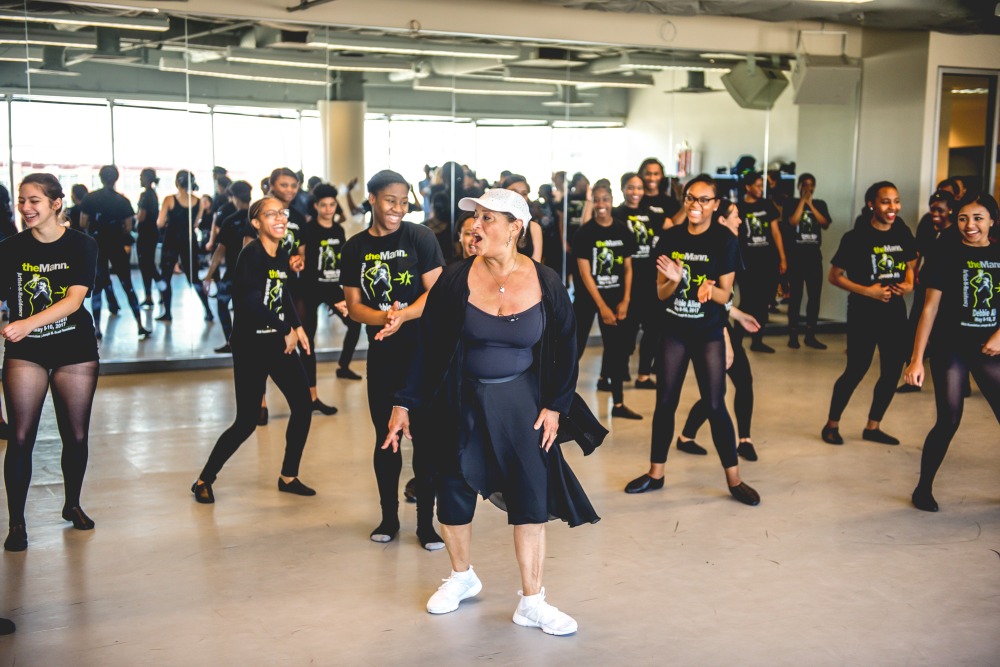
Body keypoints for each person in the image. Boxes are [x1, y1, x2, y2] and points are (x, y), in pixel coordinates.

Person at [385, 187, 600, 636]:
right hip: (459, 400)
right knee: (454, 490)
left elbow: (565, 348)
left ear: (515, 228)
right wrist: (404, 401)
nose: (475, 227)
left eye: (487, 219)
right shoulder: (455, 279)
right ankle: (462, 576)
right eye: (474, 219)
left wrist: (556, 405)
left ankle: (532, 601)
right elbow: (428, 347)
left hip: (521, 402)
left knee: (530, 496)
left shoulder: (546, 281)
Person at [624, 174, 760, 506]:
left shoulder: (725, 241)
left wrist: (709, 290)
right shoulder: (669, 238)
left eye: (702, 199)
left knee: (715, 405)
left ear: (715, 204)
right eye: (690, 198)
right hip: (674, 331)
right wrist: (675, 279)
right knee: (665, 404)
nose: (694, 205)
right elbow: (661, 292)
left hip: (709, 333)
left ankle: (734, 479)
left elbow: (725, 293)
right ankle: (656, 474)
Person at [340, 169, 445, 548]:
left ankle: (426, 524)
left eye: (403, 201)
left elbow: (436, 294)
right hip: (383, 354)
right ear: (372, 199)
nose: (398, 208)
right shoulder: (354, 247)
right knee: (386, 439)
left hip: (423, 355)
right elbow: (353, 307)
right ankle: (388, 518)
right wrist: (386, 318)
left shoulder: (420, 236)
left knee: (426, 443)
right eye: (390, 200)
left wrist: (403, 316)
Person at [192, 196, 315, 504]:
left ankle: (289, 475)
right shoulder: (251, 255)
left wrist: (296, 326)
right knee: (246, 420)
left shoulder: (282, 251)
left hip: (278, 343)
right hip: (251, 346)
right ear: (257, 223)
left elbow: (281, 292)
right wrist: (286, 329)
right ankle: (204, 479)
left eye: (281, 213)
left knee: (302, 406)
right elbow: (249, 305)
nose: (279, 218)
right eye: (270, 214)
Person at [0, 173, 99, 551]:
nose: (26, 207)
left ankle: (72, 503)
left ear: (56, 203)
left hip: (74, 348)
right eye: (22, 200)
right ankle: (17, 523)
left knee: (75, 435)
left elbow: (74, 300)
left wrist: (24, 323)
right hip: (28, 352)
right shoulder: (9, 248)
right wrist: (19, 328)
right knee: (21, 437)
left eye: (35, 201)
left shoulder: (82, 245)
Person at [903, 193, 1000, 512]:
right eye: (963, 218)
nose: (969, 225)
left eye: (977, 218)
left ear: (992, 221)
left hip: (990, 347)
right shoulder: (945, 252)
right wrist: (916, 359)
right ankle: (923, 489)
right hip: (951, 347)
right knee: (949, 419)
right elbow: (929, 309)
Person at [821, 181, 916, 446]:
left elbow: (911, 262)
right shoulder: (855, 237)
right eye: (886, 201)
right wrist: (867, 291)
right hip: (864, 312)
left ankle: (873, 426)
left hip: (895, 311)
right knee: (856, 370)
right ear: (871, 204)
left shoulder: (902, 231)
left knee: (891, 371)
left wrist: (908, 283)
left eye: (896, 201)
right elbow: (835, 276)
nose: (893, 207)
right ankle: (831, 424)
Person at [676, 199, 762, 461]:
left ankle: (741, 439)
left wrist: (739, 315)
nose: (740, 221)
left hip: (721, 326)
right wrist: (724, 332)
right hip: (711, 330)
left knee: (735, 384)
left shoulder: (728, 245)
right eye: (735, 216)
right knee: (719, 392)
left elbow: (721, 297)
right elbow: (706, 297)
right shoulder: (714, 248)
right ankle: (690, 437)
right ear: (721, 219)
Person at [572, 181, 641, 419]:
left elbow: (629, 269)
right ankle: (561, 404)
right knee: (575, 349)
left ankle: (619, 405)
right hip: (587, 299)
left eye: (606, 199)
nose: (602, 205)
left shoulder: (623, 230)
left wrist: (625, 301)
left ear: (612, 201)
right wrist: (601, 306)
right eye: (597, 200)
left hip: (615, 297)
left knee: (616, 349)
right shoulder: (584, 233)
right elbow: (584, 273)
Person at [301, 182, 363, 387]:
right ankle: (309, 386)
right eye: (324, 205)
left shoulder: (338, 230)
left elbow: (341, 260)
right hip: (311, 288)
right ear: (316, 206)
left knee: (354, 324)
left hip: (332, 287)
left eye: (332, 205)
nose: (328, 209)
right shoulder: (308, 230)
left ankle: (343, 366)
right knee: (308, 337)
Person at [79, 165, 151, 340]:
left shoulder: (90, 198)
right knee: (127, 285)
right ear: (116, 178)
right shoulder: (122, 201)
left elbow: (82, 223)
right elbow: (128, 226)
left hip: (97, 246)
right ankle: (140, 325)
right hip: (116, 246)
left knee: (97, 287)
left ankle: (97, 328)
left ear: (100, 177)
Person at [898, 191, 958, 394]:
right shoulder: (928, 226)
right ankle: (913, 378)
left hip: (947, 292)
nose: (935, 213)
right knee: (913, 330)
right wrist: (912, 274)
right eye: (932, 208)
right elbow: (918, 252)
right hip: (926, 285)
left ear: (950, 209)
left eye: (939, 209)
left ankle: (961, 383)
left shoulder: (957, 232)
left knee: (945, 335)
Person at [614, 171, 660, 390]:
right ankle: (621, 367)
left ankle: (643, 375)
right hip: (626, 282)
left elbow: (676, 223)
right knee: (626, 330)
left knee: (652, 329)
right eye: (630, 187)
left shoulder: (651, 213)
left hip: (650, 281)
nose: (635, 192)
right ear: (622, 189)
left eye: (639, 188)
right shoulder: (616, 214)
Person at [736, 171, 787, 353]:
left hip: (768, 261)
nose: (760, 189)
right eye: (757, 185)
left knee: (764, 302)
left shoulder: (767, 205)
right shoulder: (738, 207)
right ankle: (736, 340)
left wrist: (782, 258)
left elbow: (775, 232)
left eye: (761, 185)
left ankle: (757, 340)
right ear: (748, 187)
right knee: (747, 302)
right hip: (747, 263)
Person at [203, 180, 254, 353]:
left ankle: (233, 341)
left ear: (233, 198)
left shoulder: (230, 220)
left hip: (234, 273)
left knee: (223, 305)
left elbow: (219, 251)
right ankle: (247, 342)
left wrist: (209, 275)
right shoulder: (258, 219)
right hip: (254, 275)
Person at [156, 170, 213, 322]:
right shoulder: (198, 201)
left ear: (177, 182)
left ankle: (167, 313)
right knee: (194, 278)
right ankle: (208, 311)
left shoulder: (169, 199)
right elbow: (195, 223)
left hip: (171, 240)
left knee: (166, 277)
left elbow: (160, 223)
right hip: (189, 240)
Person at [784, 173, 830, 350]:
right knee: (795, 297)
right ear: (799, 186)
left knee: (814, 297)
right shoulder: (790, 203)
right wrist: (802, 202)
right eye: (804, 184)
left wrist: (810, 204)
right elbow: (793, 221)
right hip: (796, 257)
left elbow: (824, 223)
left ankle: (810, 334)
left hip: (813, 257)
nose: (808, 188)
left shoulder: (820, 204)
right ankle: (793, 334)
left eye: (811, 185)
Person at [502, 175, 543, 263]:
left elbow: (536, 266)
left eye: (524, 193)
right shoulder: (492, 224)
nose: (519, 197)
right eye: (514, 192)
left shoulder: (534, 228)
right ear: (503, 193)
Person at [136, 168, 161, 309]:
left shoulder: (145, 195)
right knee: (149, 265)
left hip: (145, 235)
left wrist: (134, 218)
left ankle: (152, 295)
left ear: (146, 178)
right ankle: (154, 294)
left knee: (147, 266)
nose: (140, 179)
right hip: (152, 234)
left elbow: (141, 216)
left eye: (141, 177)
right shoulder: (153, 194)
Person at [638, 158, 682, 230]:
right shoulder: (636, 201)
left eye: (656, 174)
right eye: (648, 174)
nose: (652, 178)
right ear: (641, 175)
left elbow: (676, 226)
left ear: (662, 175)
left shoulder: (670, 202)